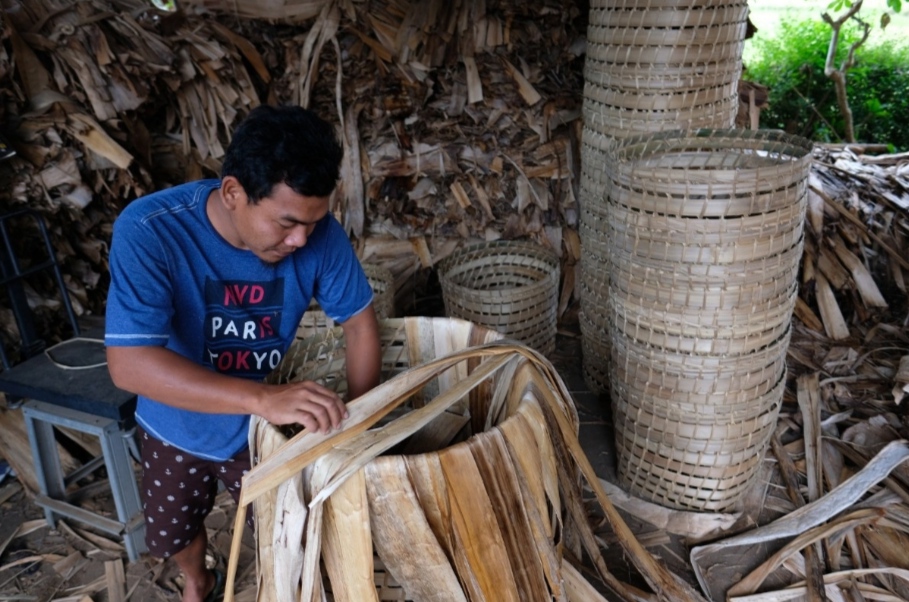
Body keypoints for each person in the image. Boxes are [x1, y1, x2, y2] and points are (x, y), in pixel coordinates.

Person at [104, 105, 381, 602]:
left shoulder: (317, 233)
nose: (301, 240)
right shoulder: (150, 230)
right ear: (233, 193)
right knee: (173, 532)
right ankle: (198, 580)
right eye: (287, 223)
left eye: (313, 224)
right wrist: (260, 397)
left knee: (287, 533)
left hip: (262, 433)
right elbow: (129, 364)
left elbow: (360, 324)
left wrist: (358, 424)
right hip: (175, 423)